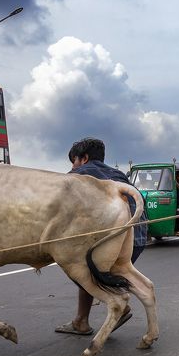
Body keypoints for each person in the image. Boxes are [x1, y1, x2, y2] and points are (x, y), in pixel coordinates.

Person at [55, 138, 147, 336]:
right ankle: (81, 320)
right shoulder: (118, 174)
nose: (73, 166)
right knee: (91, 269)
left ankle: (118, 306)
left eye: (74, 161)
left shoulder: (80, 174)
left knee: (80, 269)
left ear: (84, 158)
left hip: (115, 236)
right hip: (138, 237)